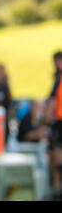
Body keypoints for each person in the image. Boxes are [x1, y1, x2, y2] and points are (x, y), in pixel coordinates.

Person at [44, 51, 62, 196]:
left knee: (56, 155)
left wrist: (46, 117)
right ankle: (56, 188)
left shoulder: (59, 78)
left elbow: (52, 101)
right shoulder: (57, 77)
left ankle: (57, 189)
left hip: (59, 121)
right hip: (58, 121)